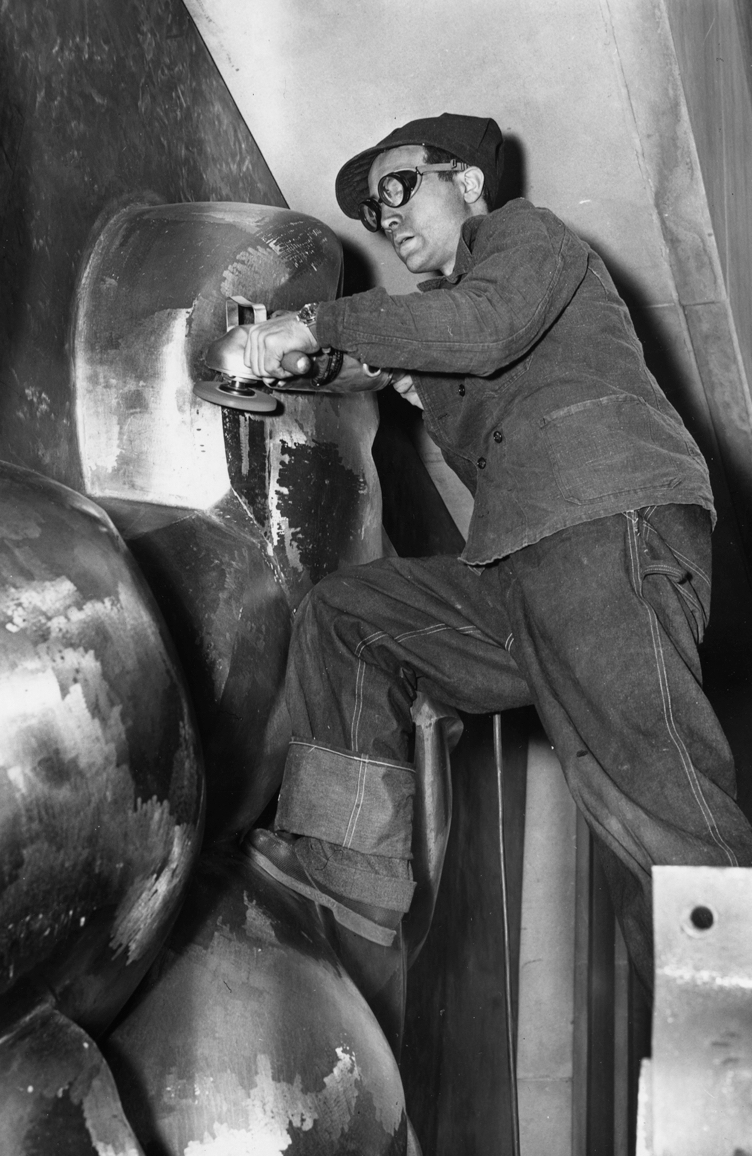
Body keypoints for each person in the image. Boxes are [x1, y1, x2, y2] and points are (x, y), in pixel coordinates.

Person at [243, 113, 752, 1050]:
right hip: (523, 570)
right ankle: (351, 884)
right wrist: (370, 369)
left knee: (658, 800)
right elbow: (461, 372)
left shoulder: (528, 236)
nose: (381, 214)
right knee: (354, 620)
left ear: (469, 183)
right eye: (367, 205)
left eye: (399, 186)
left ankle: (733, 1043)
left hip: (604, 528)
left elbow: (482, 328)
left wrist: (317, 322)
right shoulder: (462, 330)